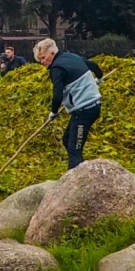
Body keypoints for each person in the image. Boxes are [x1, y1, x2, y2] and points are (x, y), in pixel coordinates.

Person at [33, 38, 103, 171]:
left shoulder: (57, 68)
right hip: (85, 108)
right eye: (40, 59)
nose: (42, 62)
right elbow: (93, 66)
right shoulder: (71, 56)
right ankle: (84, 172)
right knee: (67, 139)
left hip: (85, 110)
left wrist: (53, 112)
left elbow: (58, 93)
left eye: (43, 58)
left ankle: (75, 184)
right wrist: (99, 78)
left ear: (52, 53)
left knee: (74, 150)